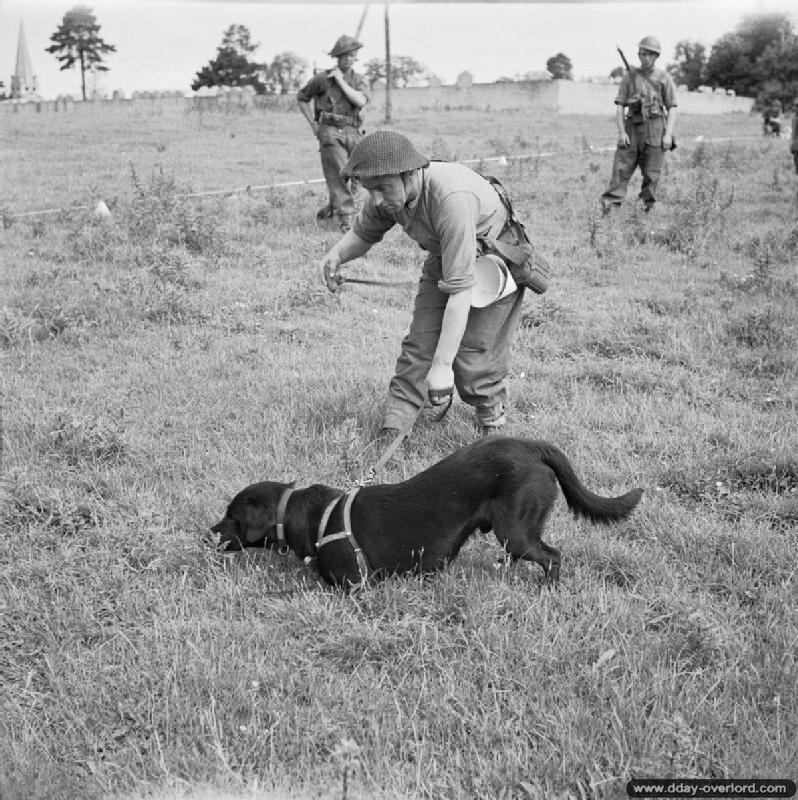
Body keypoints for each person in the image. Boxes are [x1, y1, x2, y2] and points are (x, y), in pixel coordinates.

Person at [318, 131, 537, 438]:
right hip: (446, 254)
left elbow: (460, 291)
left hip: (496, 257)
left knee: (473, 349)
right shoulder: (385, 191)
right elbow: (365, 233)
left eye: (382, 188)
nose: (377, 199)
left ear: (409, 174)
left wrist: (443, 367)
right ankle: (395, 425)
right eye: (370, 190)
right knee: (419, 344)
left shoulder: (451, 200)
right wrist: (336, 255)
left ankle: (492, 423)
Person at [297, 35, 369, 232]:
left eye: (351, 56)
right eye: (343, 56)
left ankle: (331, 210)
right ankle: (347, 220)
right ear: (337, 58)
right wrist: (313, 123)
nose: (347, 59)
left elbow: (361, 101)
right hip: (330, 131)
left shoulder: (359, 80)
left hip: (353, 131)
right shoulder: (323, 79)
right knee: (338, 174)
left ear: (355, 58)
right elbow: (302, 97)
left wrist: (341, 81)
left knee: (361, 173)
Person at [600, 36, 678, 214]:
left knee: (652, 174)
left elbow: (672, 107)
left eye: (648, 54)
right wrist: (621, 132)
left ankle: (644, 211)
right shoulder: (630, 77)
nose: (644, 58)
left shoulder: (664, 78)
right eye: (641, 54)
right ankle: (610, 210)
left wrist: (668, 134)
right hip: (632, 128)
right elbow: (620, 105)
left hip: (655, 128)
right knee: (621, 170)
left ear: (656, 56)